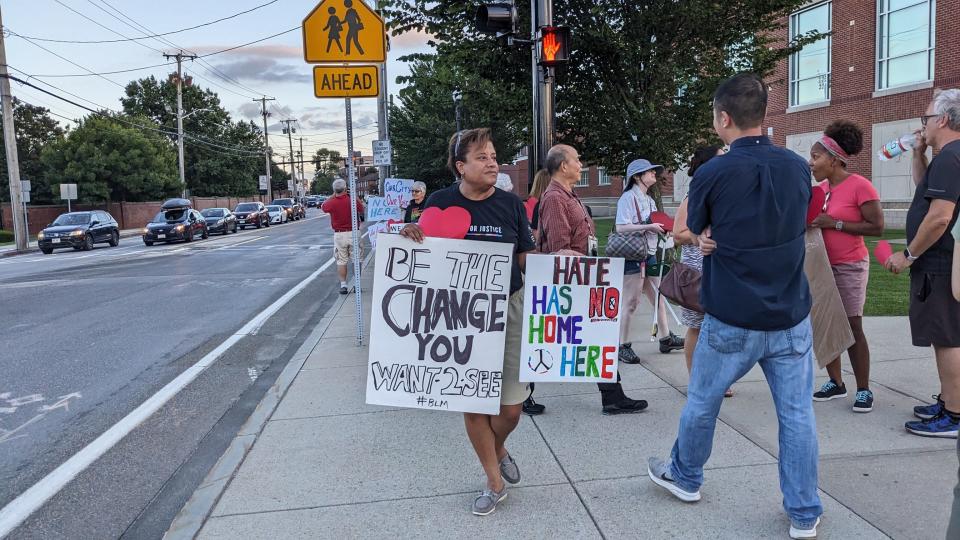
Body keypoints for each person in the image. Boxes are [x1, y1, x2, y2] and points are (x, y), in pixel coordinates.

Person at [647, 73, 822, 540]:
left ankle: (685, 477)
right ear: (761, 115)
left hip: (731, 315)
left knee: (702, 403)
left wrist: (707, 236)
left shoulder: (713, 172)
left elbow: (694, 229)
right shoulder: (796, 167)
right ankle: (804, 512)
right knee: (798, 415)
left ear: (724, 118)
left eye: (713, 116)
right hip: (789, 314)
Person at [400, 128, 533, 516]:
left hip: (508, 309)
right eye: (482, 157)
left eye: (494, 156)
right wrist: (410, 235)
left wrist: (557, 264)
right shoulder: (440, 202)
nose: (492, 162)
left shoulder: (510, 204)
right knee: (474, 405)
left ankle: (499, 446)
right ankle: (494, 481)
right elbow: (424, 255)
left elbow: (525, 256)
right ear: (461, 167)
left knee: (510, 409)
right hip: (458, 318)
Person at [539, 143, 649, 415]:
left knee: (598, 336)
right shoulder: (554, 198)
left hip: (583, 276)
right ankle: (524, 394)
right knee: (556, 338)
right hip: (573, 280)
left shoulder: (569, 194)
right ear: (563, 166)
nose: (581, 164)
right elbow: (558, 248)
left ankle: (612, 396)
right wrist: (589, 268)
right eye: (577, 160)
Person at [886, 88, 960, 438]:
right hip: (942, 261)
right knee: (944, 334)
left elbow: (939, 218)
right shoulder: (945, 158)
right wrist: (919, 153)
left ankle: (955, 415)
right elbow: (924, 190)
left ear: (943, 119)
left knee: (947, 336)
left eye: (926, 119)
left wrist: (908, 254)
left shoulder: (951, 157)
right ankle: (949, 400)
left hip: (939, 262)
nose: (922, 125)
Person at [805, 121, 884, 413]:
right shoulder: (819, 189)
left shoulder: (860, 185)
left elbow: (877, 227)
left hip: (850, 265)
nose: (811, 163)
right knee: (825, 323)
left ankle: (863, 389)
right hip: (820, 265)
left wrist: (835, 223)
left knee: (852, 324)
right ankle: (836, 383)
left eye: (815, 157)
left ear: (834, 159)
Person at [671, 145, 733, 398]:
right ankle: (696, 380)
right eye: (721, 158)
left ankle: (719, 380)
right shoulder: (692, 196)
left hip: (723, 271)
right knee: (697, 327)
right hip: (697, 273)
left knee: (722, 328)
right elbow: (677, 234)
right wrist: (698, 238)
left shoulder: (725, 194)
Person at [615, 159, 684, 362]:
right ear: (637, 177)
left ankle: (665, 337)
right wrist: (647, 227)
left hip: (650, 252)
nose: (654, 174)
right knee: (631, 301)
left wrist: (663, 229)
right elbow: (620, 227)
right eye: (649, 172)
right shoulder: (627, 198)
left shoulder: (650, 200)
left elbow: (657, 223)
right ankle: (622, 345)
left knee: (657, 295)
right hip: (634, 255)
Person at [520, 168, 552, 416]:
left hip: (536, 268)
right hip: (539, 269)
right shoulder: (539, 204)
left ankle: (525, 394)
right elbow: (533, 237)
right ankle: (525, 395)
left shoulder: (530, 203)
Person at [321, 179, 364, 295]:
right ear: (345, 188)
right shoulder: (352, 200)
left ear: (334, 190)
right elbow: (361, 208)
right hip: (354, 232)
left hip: (339, 234)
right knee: (357, 259)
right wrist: (353, 196)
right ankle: (357, 284)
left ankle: (343, 285)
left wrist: (333, 195)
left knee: (341, 261)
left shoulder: (332, 202)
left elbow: (323, 207)